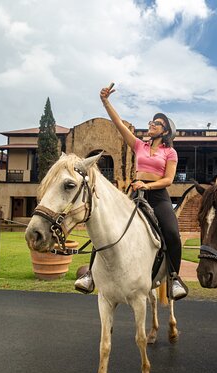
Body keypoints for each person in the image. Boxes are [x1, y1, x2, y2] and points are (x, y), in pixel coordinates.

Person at [74, 84, 187, 300]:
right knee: (106, 225)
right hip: (136, 193)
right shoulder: (139, 146)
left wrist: (148, 185)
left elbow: (169, 180)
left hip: (158, 196)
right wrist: (106, 102)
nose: (151, 125)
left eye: (156, 123)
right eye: (151, 122)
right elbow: (118, 124)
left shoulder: (170, 152)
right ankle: (90, 275)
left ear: (164, 131)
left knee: (172, 233)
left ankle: (174, 278)